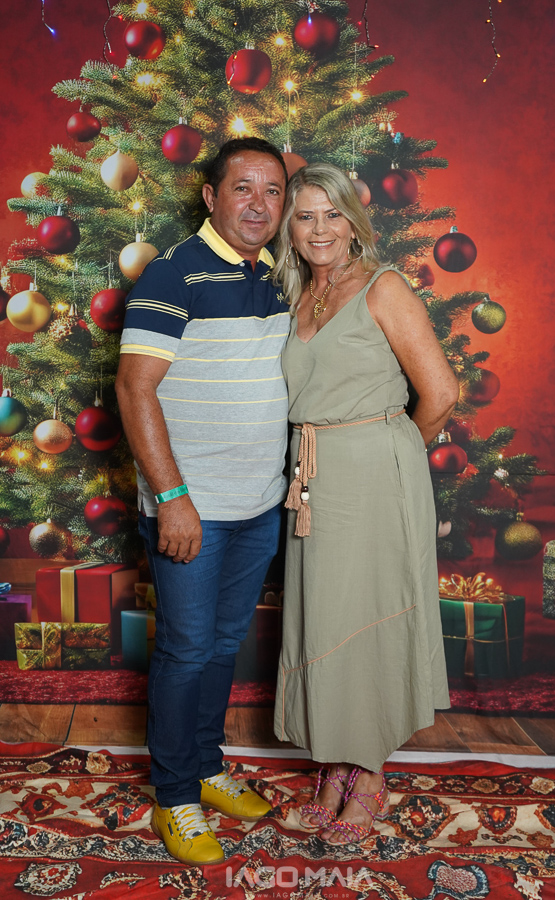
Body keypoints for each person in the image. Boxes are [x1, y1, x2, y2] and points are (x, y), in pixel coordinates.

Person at [271, 162, 457, 845]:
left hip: (375, 473)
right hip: (312, 475)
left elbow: (440, 394)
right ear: (290, 230)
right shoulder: (297, 295)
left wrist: (389, 454)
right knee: (324, 619)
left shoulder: (384, 287)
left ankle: (369, 774)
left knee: (368, 618)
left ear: (354, 223)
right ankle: (332, 767)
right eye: (305, 216)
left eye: (333, 214)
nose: (320, 229)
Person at [115, 138, 289, 865]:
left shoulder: (279, 273)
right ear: (212, 196)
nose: (259, 204)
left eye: (273, 190)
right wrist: (173, 498)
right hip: (193, 506)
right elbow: (135, 388)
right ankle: (175, 796)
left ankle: (207, 765)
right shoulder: (174, 271)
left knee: (222, 644)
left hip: (259, 504)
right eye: (243, 187)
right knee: (186, 650)